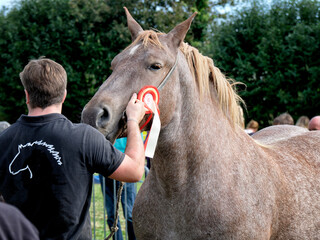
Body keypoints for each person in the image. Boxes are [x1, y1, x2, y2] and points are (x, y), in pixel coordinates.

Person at [0, 58, 146, 240]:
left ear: (27, 95)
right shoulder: (84, 138)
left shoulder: (3, 141)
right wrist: (133, 120)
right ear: (64, 95)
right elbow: (134, 171)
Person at [99, 137, 137, 240]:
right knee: (111, 215)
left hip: (124, 169)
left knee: (130, 214)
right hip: (105, 171)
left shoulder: (128, 125)